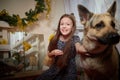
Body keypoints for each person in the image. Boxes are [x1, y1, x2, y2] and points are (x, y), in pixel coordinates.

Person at [36, 14, 87, 80]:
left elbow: (79, 48)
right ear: (59, 26)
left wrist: (85, 50)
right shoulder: (54, 39)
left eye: (68, 24)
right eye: (62, 24)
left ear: (72, 27)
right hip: (54, 70)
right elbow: (49, 54)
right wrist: (53, 53)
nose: (64, 26)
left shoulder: (75, 38)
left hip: (69, 73)